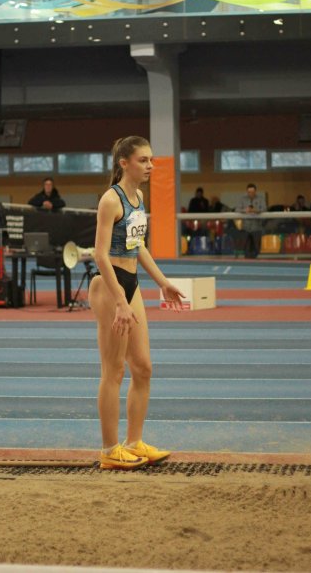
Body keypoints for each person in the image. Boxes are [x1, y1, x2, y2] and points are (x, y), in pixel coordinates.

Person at [88, 136, 185, 471]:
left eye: (152, 160)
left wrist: (163, 282)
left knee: (143, 368)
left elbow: (137, 245)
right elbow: (100, 254)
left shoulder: (139, 198)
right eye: (143, 160)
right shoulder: (110, 200)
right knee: (114, 370)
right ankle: (109, 450)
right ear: (124, 163)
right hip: (109, 286)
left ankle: (134, 442)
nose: (151, 166)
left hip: (132, 283)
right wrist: (119, 301)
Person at [236, 183, 267, 258]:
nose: (251, 194)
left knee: (256, 249)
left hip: (257, 228)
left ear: (255, 191)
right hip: (245, 228)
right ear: (247, 192)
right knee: (246, 249)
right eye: (249, 192)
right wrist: (245, 210)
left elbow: (264, 209)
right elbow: (237, 209)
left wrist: (256, 210)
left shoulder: (261, 199)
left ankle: (255, 261)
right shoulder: (242, 199)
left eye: (252, 192)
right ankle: (247, 262)